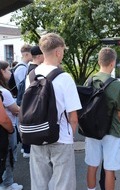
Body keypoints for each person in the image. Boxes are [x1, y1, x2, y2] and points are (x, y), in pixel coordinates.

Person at [28, 33, 81, 190]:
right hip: (61, 138)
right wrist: (70, 136)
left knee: (39, 183)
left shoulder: (31, 75)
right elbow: (73, 117)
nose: (63, 54)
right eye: (63, 51)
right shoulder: (64, 78)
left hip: (36, 135)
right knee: (62, 184)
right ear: (58, 51)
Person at [85, 47, 120, 190]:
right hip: (112, 131)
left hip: (91, 130)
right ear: (113, 63)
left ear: (99, 61)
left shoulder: (90, 80)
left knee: (92, 165)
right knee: (109, 168)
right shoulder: (116, 85)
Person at [0, 61, 22, 190]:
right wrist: (11, 130)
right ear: (2, 72)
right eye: (8, 70)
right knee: (8, 156)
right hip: (6, 129)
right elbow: (15, 111)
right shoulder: (4, 92)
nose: (10, 73)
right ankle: (7, 183)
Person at [14, 44, 32, 158]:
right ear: (26, 54)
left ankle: (25, 148)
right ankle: (26, 149)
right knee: (24, 125)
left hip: (20, 100)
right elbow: (23, 87)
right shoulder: (22, 68)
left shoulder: (23, 67)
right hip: (21, 100)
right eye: (31, 53)